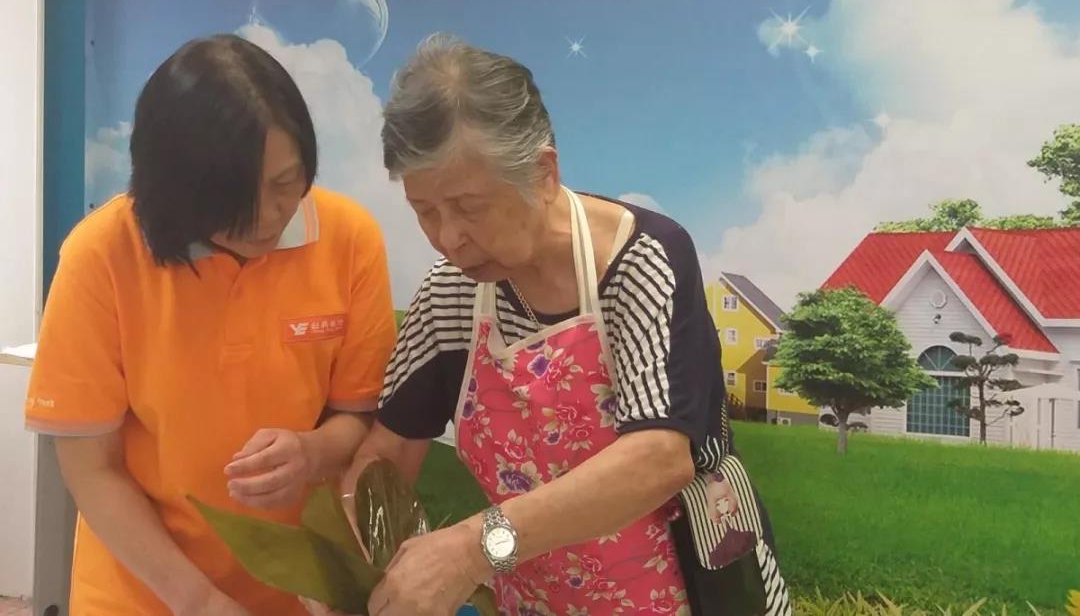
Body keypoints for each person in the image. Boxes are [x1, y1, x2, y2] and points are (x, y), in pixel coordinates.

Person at [328, 36, 792, 616]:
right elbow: (389, 451)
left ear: (542, 172)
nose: (448, 238)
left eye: (469, 207)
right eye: (425, 212)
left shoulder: (641, 259)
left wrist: (473, 549)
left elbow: (659, 457)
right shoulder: (450, 295)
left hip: (690, 591)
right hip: (536, 596)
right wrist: (345, 567)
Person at [25, 35, 396, 616]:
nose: (268, 216)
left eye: (285, 183)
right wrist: (196, 600)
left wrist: (313, 451)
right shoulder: (101, 255)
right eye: (233, 200)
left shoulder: (349, 239)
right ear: (172, 189)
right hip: (144, 589)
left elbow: (358, 417)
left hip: (300, 592)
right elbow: (91, 467)